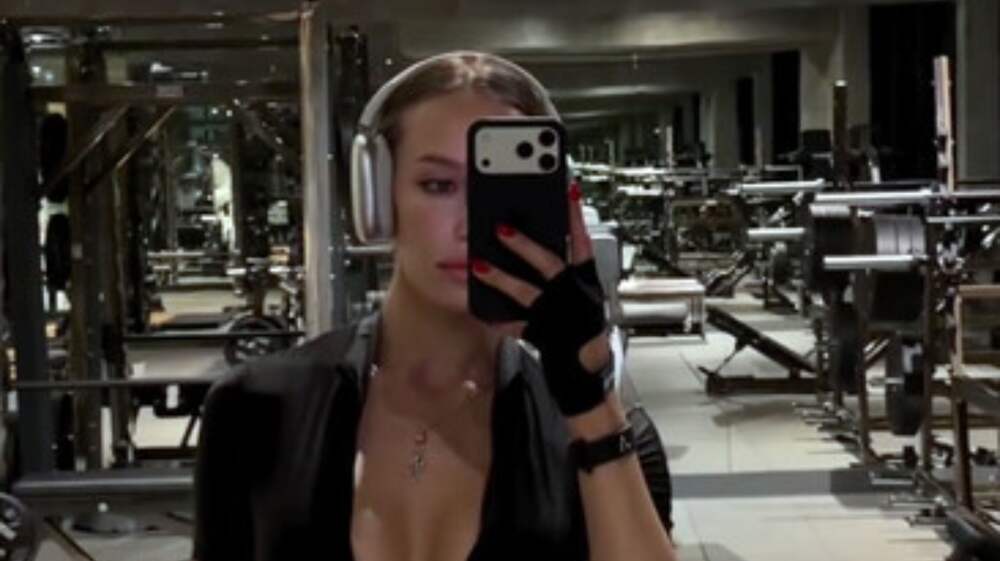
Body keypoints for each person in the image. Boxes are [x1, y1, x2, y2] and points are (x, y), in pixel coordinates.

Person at [193, 51, 676, 561]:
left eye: (498, 191)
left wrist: (592, 409)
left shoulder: (602, 433)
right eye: (438, 186)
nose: (469, 223)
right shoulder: (254, 408)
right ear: (378, 202)